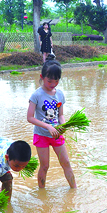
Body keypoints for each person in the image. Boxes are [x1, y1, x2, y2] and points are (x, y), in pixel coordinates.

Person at [27, 59, 76, 188]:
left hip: (56, 135)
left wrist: (63, 126)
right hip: (41, 135)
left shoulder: (59, 94)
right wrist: (48, 126)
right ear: (42, 77)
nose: (53, 84)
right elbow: (30, 117)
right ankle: (42, 192)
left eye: (56, 81)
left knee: (66, 163)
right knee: (45, 166)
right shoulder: (36, 95)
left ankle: (74, 189)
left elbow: (60, 115)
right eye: (49, 81)